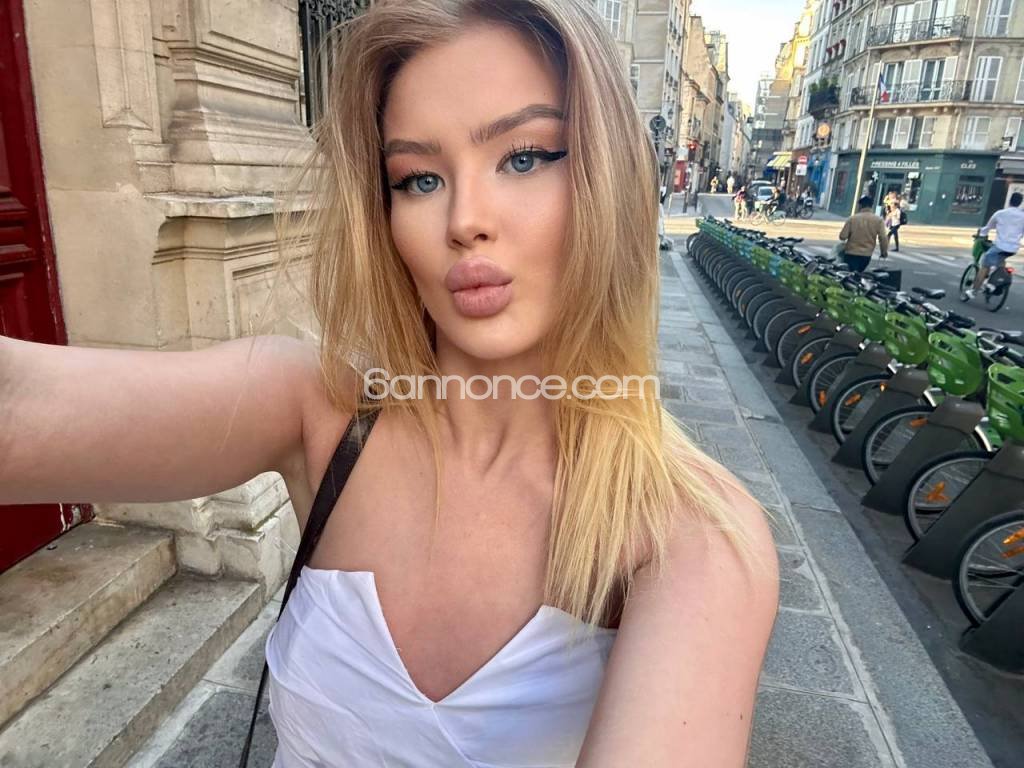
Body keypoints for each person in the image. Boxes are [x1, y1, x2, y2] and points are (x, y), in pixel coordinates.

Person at [0, 2, 779, 766]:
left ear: (610, 177)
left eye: (524, 157)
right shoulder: (319, 413)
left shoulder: (693, 536)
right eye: (418, 178)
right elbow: (20, 405)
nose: (465, 220)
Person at [966, 191, 1024, 298]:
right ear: (1020, 203)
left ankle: (974, 291)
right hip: (1013, 248)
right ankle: (995, 281)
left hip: (1000, 245)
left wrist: (981, 234)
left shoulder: (1000, 213)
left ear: (1010, 201)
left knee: (985, 266)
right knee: (1001, 261)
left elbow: (988, 227)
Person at [839, 195, 888, 272]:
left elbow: (842, 236)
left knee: (849, 274)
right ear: (871, 206)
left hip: (851, 253)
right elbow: (883, 238)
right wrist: (883, 252)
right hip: (866, 255)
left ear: (861, 206)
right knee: (858, 273)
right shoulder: (878, 220)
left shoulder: (852, 219)